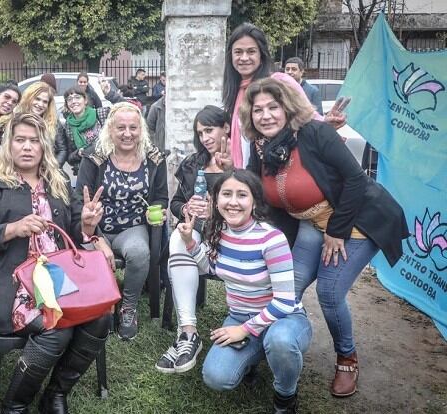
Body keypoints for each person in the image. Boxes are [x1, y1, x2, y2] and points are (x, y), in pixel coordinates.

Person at [240, 77, 408, 397]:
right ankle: (265, 349)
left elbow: (356, 180)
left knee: (329, 292)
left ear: (288, 107)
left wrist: (336, 231)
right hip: (310, 224)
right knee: (286, 286)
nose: (265, 115)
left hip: (356, 220)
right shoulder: (261, 146)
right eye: (258, 109)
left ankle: (347, 358)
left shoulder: (316, 133)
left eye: (273, 107)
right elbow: (258, 194)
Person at [0, 113, 111, 413]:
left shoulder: (58, 181)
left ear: (44, 147)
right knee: (57, 326)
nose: (27, 147)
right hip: (13, 284)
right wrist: (12, 229)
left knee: (101, 316)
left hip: (62, 279)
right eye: (20, 140)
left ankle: (56, 393)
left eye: (34, 141)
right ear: (8, 145)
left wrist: (88, 228)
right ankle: (15, 405)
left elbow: (77, 231)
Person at [176, 169, 310, 413]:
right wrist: (190, 243)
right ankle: (253, 359)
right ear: (215, 201)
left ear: (254, 201)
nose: (233, 202)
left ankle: (285, 396)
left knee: (279, 341)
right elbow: (212, 268)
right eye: (226, 194)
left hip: (284, 318)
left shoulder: (272, 239)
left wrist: (243, 330)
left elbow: (284, 302)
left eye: (242, 195)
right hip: (240, 315)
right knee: (216, 377)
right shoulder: (219, 233)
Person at [74, 102, 168, 340]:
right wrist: (94, 235)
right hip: (97, 226)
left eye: (133, 128)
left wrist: (157, 210)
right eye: (121, 128)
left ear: (141, 129)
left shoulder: (154, 159)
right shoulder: (94, 157)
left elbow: (161, 197)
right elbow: (77, 201)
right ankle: (101, 306)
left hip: (133, 227)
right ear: (110, 130)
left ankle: (128, 307)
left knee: (138, 252)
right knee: (87, 251)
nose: (127, 134)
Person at [155, 105, 229, 374]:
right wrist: (185, 209)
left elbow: (255, 210)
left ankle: (186, 337)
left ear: (227, 128)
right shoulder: (193, 164)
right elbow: (175, 203)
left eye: (210, 130)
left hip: (230, 239)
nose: (206, 137)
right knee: (178, 236)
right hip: (196, 238)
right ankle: (188, 332)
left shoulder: (241, 164)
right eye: (201, 133)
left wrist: (216, 212)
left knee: (180, 246)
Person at [222, 23, 346, 170]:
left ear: (261, 55)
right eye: (238, 52)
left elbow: (307, 117)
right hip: (251, 174)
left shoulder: (280, 81)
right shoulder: (234, 93)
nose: (244, 57)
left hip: (287, 168)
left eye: (251, 51)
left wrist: (325, 124)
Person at [59, 86, 122, 175]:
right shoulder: (68, 126)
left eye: (77, 97)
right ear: (67, 105)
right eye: (69, 99)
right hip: (87, 173)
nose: (73, 101)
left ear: (85, 101)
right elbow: (69, 158)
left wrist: (110, 94)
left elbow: (127, 108)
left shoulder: (102, 113)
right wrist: (78, 153)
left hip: (111, 169)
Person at [16, 81, 67, 167]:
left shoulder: (53, 123)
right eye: (37, 99)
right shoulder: (16, 120)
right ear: (29, 98)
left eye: (45, 102)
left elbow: (62, 150)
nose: (40, 104)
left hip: (48, 172)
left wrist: (53, 168)